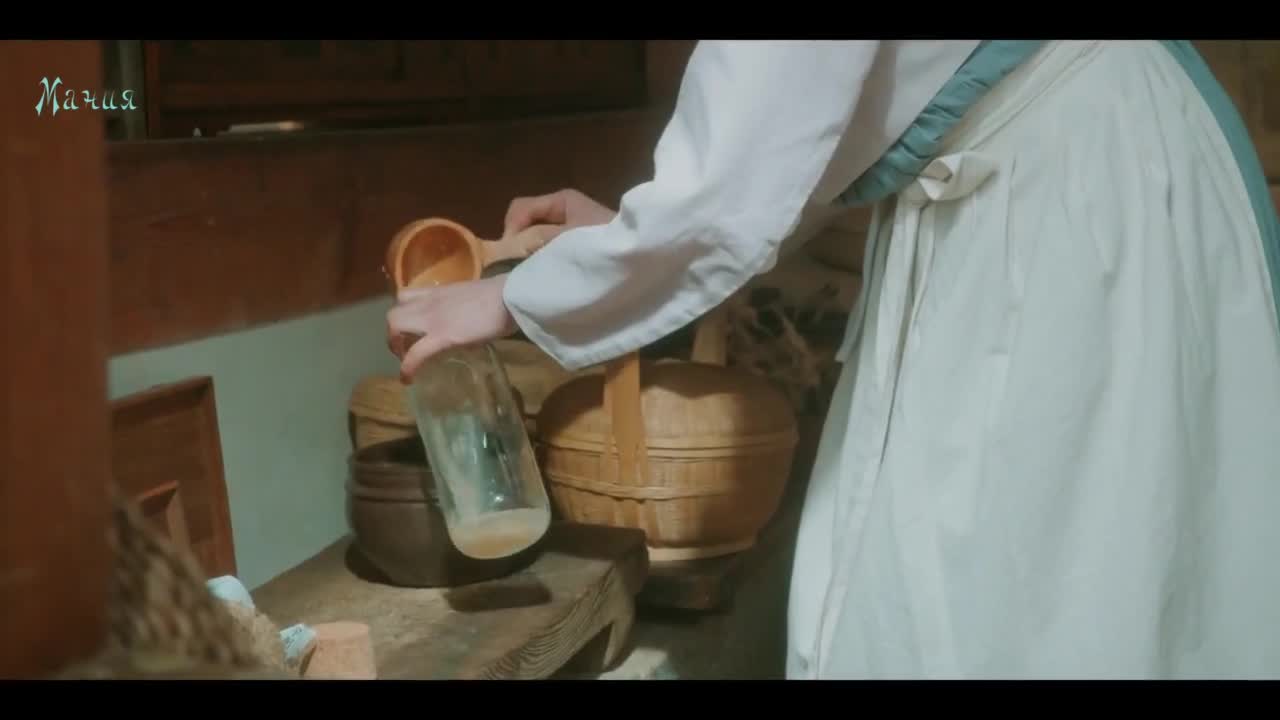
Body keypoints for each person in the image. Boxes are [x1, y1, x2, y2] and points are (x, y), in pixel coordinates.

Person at [386, 40, 1280, 679]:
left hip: (1072, 198)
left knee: (1052, 592)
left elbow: (752, 141)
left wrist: (517, 296)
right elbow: (804, 127)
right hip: (1079, 153)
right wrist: (636, 235)